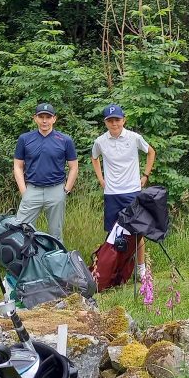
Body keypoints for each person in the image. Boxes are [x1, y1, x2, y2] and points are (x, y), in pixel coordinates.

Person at [91, 104, 156, 278]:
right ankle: (115, 270)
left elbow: (151, 152)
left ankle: (141, 269)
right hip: (112, 193)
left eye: (117, 120)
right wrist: (101, 179)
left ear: (123, 120)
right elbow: (94, 157)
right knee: (114, 233)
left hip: (132, 191)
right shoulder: (100, 141)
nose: (114, 124)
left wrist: (145, 175)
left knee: (137, 232)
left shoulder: (134, 138)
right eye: (110, 121)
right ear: (105, 122)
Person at [12, 103, 79, 243]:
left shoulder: (65, 140)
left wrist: (66, 190)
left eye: (48, 117)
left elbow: (73, 167)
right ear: (35, 118)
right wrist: (24, 191)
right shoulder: (25, 139)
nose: (44, 121)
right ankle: (27, 256)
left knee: (55, 233)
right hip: (32, 190)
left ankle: (56, 256)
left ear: (54, 119)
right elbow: (18, 166)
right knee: (22, 229)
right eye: (41, 117)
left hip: (56, 190)